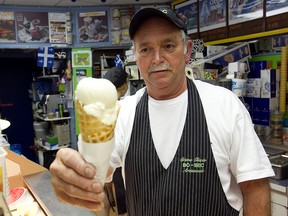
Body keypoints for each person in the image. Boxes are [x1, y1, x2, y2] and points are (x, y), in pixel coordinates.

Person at [50, 7, 275, 216]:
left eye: (168, 46)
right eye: (146, 49)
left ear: (187, 51)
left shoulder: (224, 105)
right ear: (136, 56)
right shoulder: (123, 112)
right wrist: (74, 174)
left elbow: (255, 187)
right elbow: (95, 169)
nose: (157, 59)